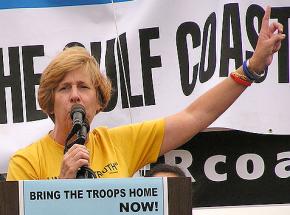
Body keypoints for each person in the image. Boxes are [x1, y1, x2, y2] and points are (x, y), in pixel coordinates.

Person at [7, 7, 285, 180]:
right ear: (49, 102)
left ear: (98, 101)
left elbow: (195, 116)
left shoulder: (119, 143)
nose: (75, 96)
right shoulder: (26, 162)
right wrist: (64, 187)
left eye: (84, 87)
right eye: (65, 88)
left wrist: (250, 69)